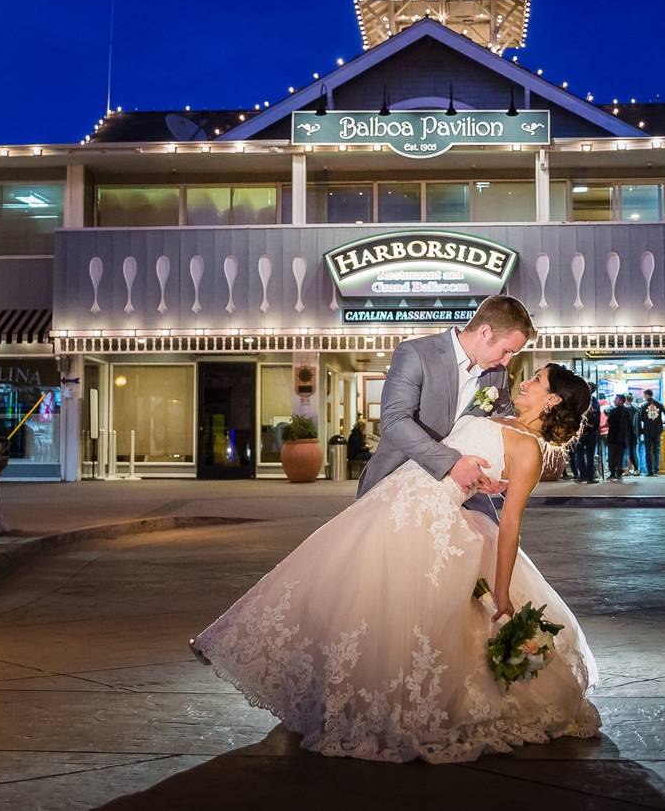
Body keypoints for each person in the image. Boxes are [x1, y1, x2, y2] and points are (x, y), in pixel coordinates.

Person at [189, 363, 602, 764]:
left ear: (551, 400)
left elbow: (510, 524)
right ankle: (235, 641)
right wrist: (479, 477)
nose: (525, 382)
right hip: (394, 500)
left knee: (397, 612)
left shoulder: (528, 448)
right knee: (324, 576)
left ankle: (400, 711)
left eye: (536, 379)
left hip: (429, 519)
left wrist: (501, 589)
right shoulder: (503, 418)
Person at [354, 295, 531, 520]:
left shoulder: (497, 374)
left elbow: (502, 426)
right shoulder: (415, 353)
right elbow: (394, 421)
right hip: (397, 480)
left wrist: (498, 471)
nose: (507, 361)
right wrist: (452, 463)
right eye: (507, 351)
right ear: (485, 332)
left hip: (462, 494)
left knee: (488, 543)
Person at [638, 389, 665, 477]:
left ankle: (649, 471)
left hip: (647, 430)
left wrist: (642, 429)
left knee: (648, 451)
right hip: (657, 430)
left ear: (647, 395)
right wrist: (664, 423)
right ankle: (656, 471)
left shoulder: (644, 405)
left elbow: (640, 418)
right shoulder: (659, 404)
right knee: (656, 450)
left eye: (644, 395)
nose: (644, 397)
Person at [605, 394, 634, 480]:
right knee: (620, 456)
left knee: (612, 456)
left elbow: (608, 423)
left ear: (621, 401)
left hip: (613, 437)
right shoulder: (627, 411)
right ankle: (619, 473)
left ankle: (612, 473)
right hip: (622, 438)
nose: (614, 400)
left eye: (616, 399)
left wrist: (599, 427)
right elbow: (630, 425)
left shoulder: (613, 411)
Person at [576, 383, 600, 483]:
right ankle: (590, 477)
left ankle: (583, 476)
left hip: (580, 431)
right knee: (590, 455)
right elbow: (597, 416)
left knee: (580, 455)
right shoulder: (594, 401)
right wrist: (595, 428)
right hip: (590, 431)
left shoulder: (578, 400)